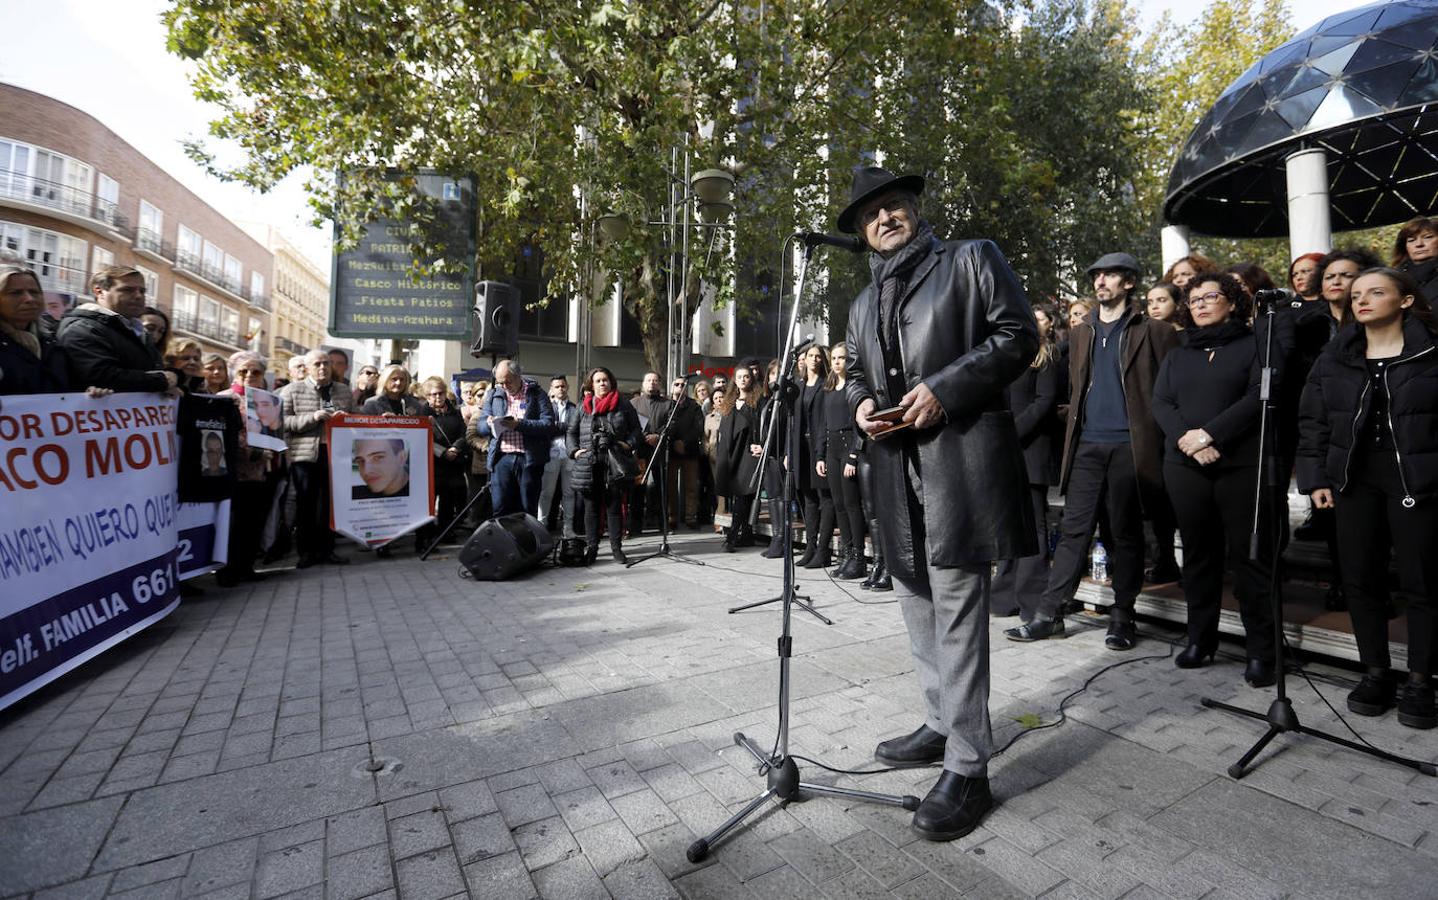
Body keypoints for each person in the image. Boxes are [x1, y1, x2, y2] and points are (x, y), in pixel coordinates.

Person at [839, 167, 1037, 840]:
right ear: (863, 233)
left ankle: (969, 765)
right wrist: (859, 403)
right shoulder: (861, 304)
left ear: (916, 210)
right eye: (871, 216)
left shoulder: (972, 258)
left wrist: (946, 388)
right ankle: (938, 720)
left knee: (956, 607)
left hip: (960, 464)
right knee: (914, 599)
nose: (885, 219)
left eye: (893, 206)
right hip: (896, 472)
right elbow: (857, 374)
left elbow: (1019, 337)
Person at [1006, 252, 1178, 649]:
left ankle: (1122, 616)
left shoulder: (1153, 331)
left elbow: (1170, 390)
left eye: (1111, 275)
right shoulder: (1080, 332)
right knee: (1072, 531)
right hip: (1086, 445)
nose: (1101, 282)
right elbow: (1072, 387)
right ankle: (1050, 614)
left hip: (1130, 446)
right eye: (1096, 275)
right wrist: (1070, 415)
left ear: (1129, 282)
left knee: (1125, 533)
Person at [1299, 266, 1438, 730]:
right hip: (1353, 482)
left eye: (1375, 292)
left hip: (1417, 481)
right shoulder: (1335, 356)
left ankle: (1421, 680)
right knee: (1361, 580)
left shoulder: (1431, 352)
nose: (1361, 300)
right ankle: (1374, 671)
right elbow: (1314, 421)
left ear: (1403, 301)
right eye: (1357, 293)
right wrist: (1316, 477)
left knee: (1422, 583)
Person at [1152, 273, 1276, 687]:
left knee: (1248, 560)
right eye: (1194, 299)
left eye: (1211, 296)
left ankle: (1261, 651)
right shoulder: (1178, 351)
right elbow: (1162, 402)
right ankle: (1199, 641)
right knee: (1199, 556)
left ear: (1233, 302)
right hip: (1184, 465)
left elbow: (1256, 397)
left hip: (1238, 464)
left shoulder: (1253, 344)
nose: (1201, 304)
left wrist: (1210, 435)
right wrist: (1189, 441)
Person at [1288, 248, 1383, 607]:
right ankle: (1343, 581)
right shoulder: (1305, 325)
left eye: (1346, 275)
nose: (1337, 282)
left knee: (1371, 520)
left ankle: (1374, 589)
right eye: (1330, 276)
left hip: (1368, 431)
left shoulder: (1378, 323)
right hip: (1322, 429)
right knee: (1331, 514)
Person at [992, 303, 1062, 618]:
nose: (1032, 322)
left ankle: (1032, 601)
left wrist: (1013, 433)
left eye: (1039, 318)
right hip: (1005, 450)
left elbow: (1044, 402)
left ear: (1049, 324)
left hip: (1031, 449)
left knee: (1033, 527)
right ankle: (1004, 597)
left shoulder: (1047, 355)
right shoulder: (1009, 354)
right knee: (1007, 524)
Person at [282, 348, 354, 568]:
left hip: (334, 454)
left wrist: (347, 418)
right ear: (307, 368)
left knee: (330, 505)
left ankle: (328, 550)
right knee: (306, 505)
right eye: (317, 364)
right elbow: (283, 423)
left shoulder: (342, 390)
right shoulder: (292, 390)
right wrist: (312, 417)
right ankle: (306, 552)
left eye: (326, 363)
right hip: (305, 456)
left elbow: (355, 418)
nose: (323, 367)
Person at [56, 265, 179, 394]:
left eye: (142, 291)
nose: (138, 296)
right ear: (99, 291)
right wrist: (162, 380)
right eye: (127, 290)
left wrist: (174, 376)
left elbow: (152, 369)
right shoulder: (82, 329)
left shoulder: (137, 331)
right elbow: (101, 376)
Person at [215, 350, 279, 586]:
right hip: (232, 471)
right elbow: (223, 437)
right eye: (244, 371)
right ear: (235, 374)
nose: (250, 375)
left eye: (256, 371)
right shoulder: (224, 398)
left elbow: (274, 429)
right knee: (233, 523)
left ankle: (246, 566)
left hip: (262, 471)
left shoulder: (268, 400)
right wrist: (253, 452)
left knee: (254, 521)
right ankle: (228, 571)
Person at [567, 366, 643, 565]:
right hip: (589, 464)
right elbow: (571, 432)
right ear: (591, 384)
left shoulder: (623, 404)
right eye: (598, 380)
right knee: (591, 508)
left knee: (614, 508)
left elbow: (636, 430)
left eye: (606, 380)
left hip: (614, 462)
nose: (603, 383)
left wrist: (627, 444)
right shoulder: (583, 406)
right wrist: (575, 451)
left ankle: (616, 548)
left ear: (611, 382)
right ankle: (592, 548)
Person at [474, 359, 555, 517]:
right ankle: (503, 541)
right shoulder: (494, 394)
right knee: (500, 507)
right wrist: (490, 423)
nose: (504, 386)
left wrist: (519, 424)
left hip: (529, 459)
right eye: (500, 382)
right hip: (501, 458)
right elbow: (480, 427)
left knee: (526, 508)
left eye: (508, 382)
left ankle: (525, 541)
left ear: (518, 376)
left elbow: (548, 424)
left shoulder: (537, 394)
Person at [814, 341, 867, 579]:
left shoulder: (855, 388)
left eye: (842, 358)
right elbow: (824, 425)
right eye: (834, 358)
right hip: (832, 448)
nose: (837, 362)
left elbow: (859, 425)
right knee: (838, 504)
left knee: (851, 503)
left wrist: (854, 456)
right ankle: (846, 554)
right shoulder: (829, 389)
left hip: (849, 446)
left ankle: (858, 556)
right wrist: (821, 456)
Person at [793, 344, 835, 569]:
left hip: (820, 446)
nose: (814, 359)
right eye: (810, 355)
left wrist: (822, 451)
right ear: (804, 359)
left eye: (818, 356)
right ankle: (810, 546)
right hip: (802, 447)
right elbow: (793, 423)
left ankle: (823, 548)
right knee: (808, 498)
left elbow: (825, 420)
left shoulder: (826, 385)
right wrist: (790, 452)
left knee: (824, 497)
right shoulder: (798, 386)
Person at [0, 265, 70, 394]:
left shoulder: (52, 341)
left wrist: (88, 393)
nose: (29, 299)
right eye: (15, 293)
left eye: (34, 292)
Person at [715, 366, 763, 551]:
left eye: (746, 377)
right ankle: (746, 534)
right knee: (741, 497)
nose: (743, 380)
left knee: (744, 496)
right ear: (734, 380)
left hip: (749, 454)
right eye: (739, 377)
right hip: (732, 454)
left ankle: (733, 537)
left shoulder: (757, 402)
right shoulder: (729, 402)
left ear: (751, 379)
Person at [422, 377, 471, 540]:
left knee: (448, 501)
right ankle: (428, 534)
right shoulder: (423, 414)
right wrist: (443, 452)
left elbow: (464, 434)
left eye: (441, 393)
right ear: (427, 396)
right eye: (433, 394)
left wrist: (456, 448)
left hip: (453, 464)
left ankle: (446, 531)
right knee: (429, 501)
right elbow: (424, 438)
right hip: (433, 464)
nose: (438, 397)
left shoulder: (454, 411)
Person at [539, 374, 579, 536]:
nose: (560, 389)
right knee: (546, 493)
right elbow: (546, 428)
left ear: (567, 387)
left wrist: (557, 427)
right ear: (551, 389)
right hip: (550, 454)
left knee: (569, 493)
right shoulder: (546, 406)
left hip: (569, 454)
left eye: (563, 386)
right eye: (557, 386)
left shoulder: (573, 407)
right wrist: (562, 427)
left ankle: (568, 528)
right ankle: (541, 526)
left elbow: (574, 429)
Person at [663, 376, 705, 529]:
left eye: (683, 385)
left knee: (691, 486)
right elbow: (663, 425)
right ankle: (672, 517)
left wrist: (684, 442)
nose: (680, 387)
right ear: (672, 386)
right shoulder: (666, 405)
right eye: (677, 384)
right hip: (671, 451)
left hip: (690, 450)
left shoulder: (694, 406)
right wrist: (674, 442)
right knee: (671, 486)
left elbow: (699, 427)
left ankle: (690, 517)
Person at [631, 371, 670, 534]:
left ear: (659, 384)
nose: (652, 383)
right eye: (649, 380)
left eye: (655, 380)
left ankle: (663, 525)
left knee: (661, 489)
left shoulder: (668, 403)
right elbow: (630, 424)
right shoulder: (634, 403)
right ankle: (635, 527)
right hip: (640, 451)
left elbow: (672, 423)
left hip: (659, 451)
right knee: (638, 489)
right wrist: (644, 436)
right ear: (643, 383)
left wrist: (658, 435)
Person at [1392, 215, 1438, 304]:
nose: (1419, 244)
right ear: (1404, 246)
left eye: (1427, 237)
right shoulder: (1394, 279)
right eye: (1411, 240)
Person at [362, 365, 430, 416]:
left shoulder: (414, 404)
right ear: (385, 380)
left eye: (402, 380)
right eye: (394, 379)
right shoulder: (372, 404)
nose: (398, 383)